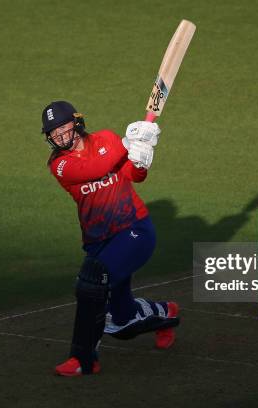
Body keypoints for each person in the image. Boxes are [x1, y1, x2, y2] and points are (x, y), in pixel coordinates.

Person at [41, 101, 180, 376]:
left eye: (63, 128)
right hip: (99, 241)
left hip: (134, 230)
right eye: (52, 133)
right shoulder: (59, 164)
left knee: (90, 283)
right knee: (122, 320)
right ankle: (165, 314)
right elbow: (92, 169)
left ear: (77, 123)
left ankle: (84, 360)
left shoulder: (106, 138)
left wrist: (140, 159)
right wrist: (129, 143)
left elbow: (133, 175)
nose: (58, 136)